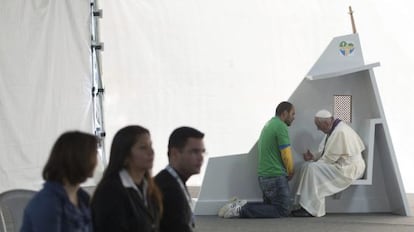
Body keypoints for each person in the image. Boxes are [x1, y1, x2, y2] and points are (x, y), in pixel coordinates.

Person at [219, 101, 296, 218]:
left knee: (269, 206)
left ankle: (240, 205)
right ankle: (240, 210)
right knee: (282, 210)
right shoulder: (281, 126)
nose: (294, 117)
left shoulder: (269, 124)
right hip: (275, 177)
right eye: (293, 114)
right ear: (284, 113)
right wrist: (290, 170)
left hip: (264, 176)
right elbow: (286, 153)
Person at [291, 109, 366, 217]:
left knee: (312, 169)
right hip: (343, 166)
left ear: (326, 123)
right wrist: (313, 156)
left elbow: (328, 159)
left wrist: (315, 163)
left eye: (318, 126)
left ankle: (310, 209)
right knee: (308, 166)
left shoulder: (340, 131)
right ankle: (307, 206)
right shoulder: (334, 129)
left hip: (350, 169)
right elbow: (326, 152)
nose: (317, 129)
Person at [21, 131, 99, 232]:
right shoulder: (48, 203)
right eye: (94, 155)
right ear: (78, 158)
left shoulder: (82, 198)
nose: (97, 161)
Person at [91, 125, 162, 232]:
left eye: (151, 146)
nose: (151, 152)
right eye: (143, 147)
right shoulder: (110, 191)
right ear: (125, 155)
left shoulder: (149, 188)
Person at [155, 126, 205, 232]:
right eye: (194, 152)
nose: (201, 157)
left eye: (202, 152)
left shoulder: (172, 182)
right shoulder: (169, 190)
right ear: (175, 154)